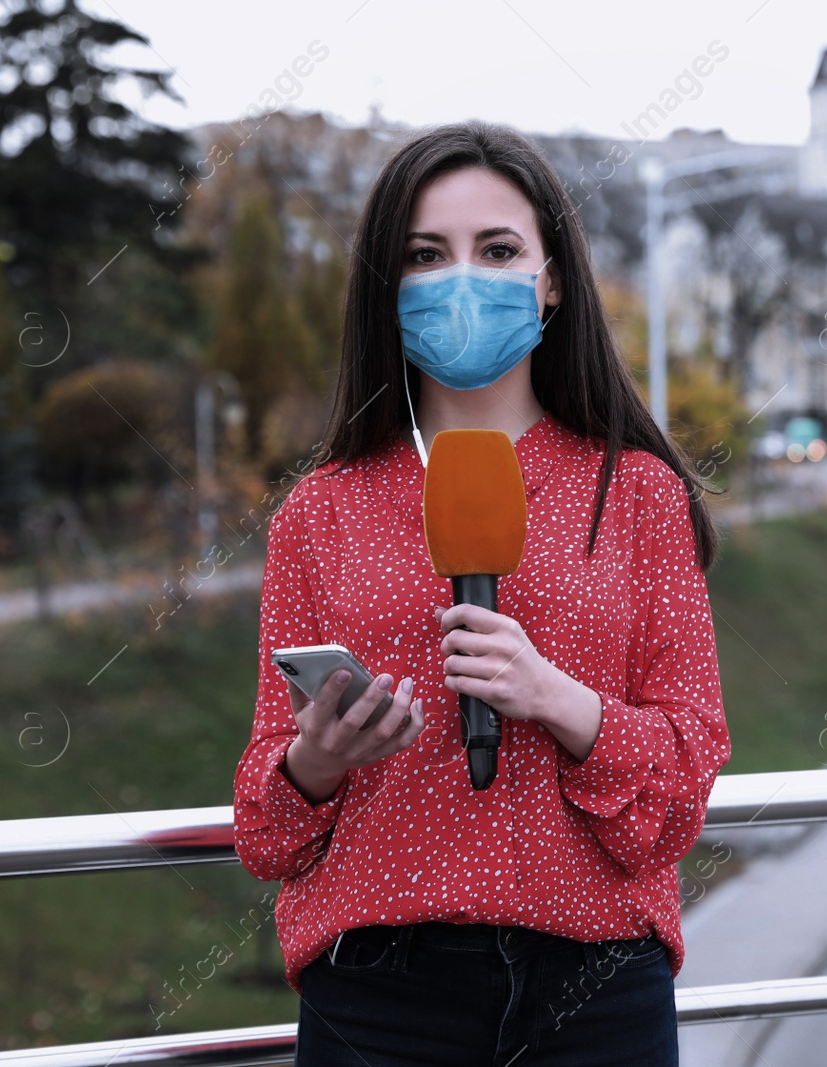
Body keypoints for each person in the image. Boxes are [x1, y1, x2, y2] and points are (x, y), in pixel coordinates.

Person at [231, 120, 731, 1067]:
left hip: (598, 990)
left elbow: (681, 791)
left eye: (497, 249)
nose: (463, 277)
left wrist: (563, 703)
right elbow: (264, 828)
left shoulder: (637, 495)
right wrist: (318, 762)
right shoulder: (317, 513)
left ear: (550, 281)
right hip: (376, 997)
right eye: (426, 255)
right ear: (388, 289)